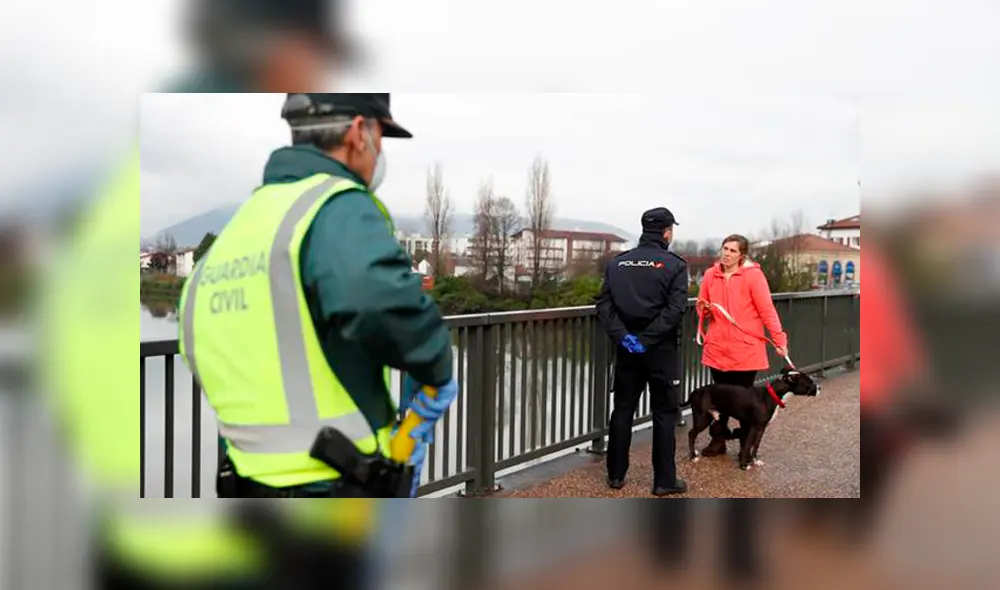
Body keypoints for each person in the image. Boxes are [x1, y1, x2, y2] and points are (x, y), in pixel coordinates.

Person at [177, 93, 459, 502]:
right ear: (357, 132)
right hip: (336, 483)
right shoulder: (338, 206)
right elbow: (373, 297)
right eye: (381, 136)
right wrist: (437, 362)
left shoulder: (242, 227)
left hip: (243, 481)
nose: (380, 151)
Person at [597, 207, 689, 496]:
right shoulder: (675, 265)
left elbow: (604, 305)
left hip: (626, 351)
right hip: (660, 351)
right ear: (667, 232)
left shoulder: (618, 263)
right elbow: (675, 310)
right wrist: (648, 339)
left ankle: (615, 475)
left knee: (622, 410)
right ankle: (663, 481)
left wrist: (625, 337)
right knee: (664, 413)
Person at [695, 234, 788, 457]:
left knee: (745, 402)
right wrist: (704, 310)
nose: (726, 253)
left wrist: (779, 339)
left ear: (742, 255)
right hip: (717, 349)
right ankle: (718, 441)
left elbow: (767, 310)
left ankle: (746, 446)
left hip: (745, 351)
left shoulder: (754, 277)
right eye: (724, 248)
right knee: (718, 399)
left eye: (733, 250)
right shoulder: (710, 275)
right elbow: (701, 307)